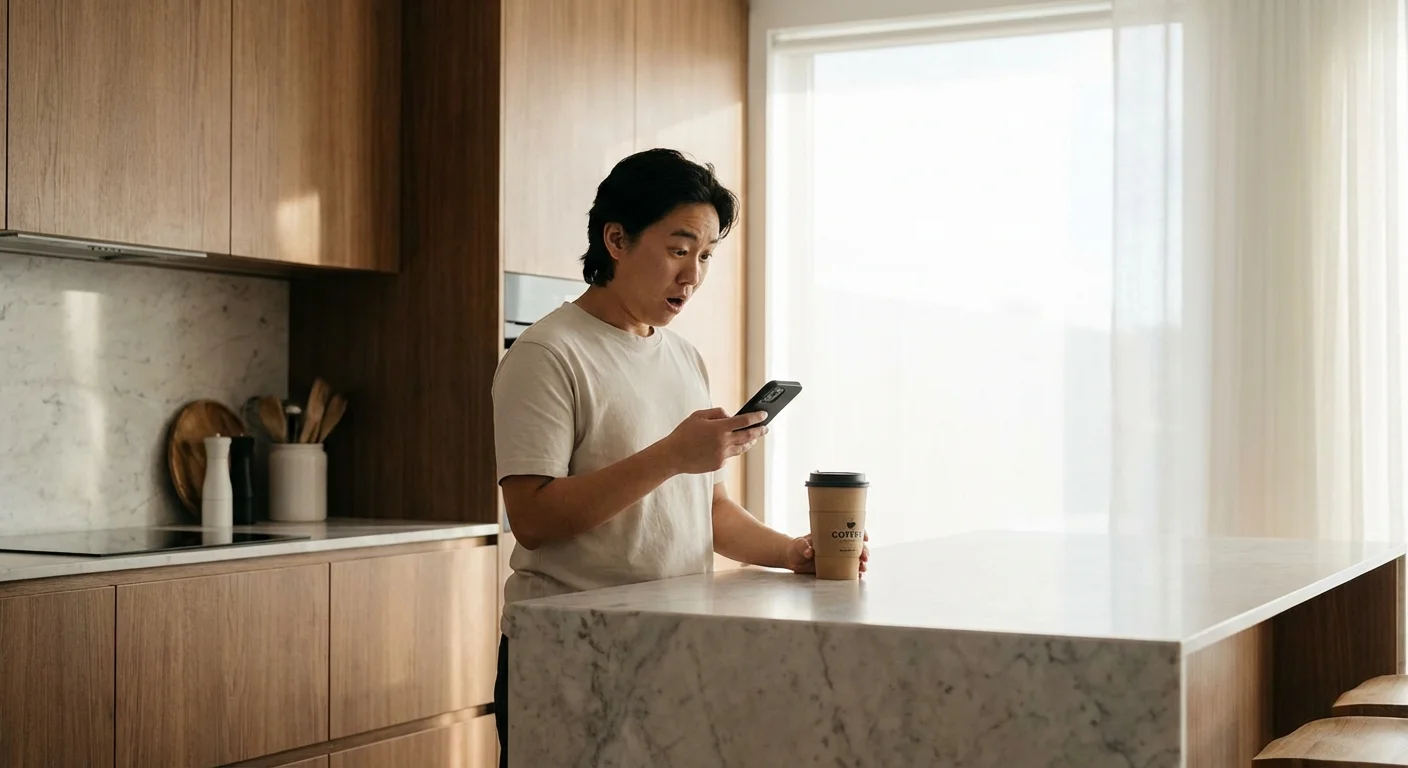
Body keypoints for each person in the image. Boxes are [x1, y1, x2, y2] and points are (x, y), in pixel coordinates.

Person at [489, 148, 867, 765]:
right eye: (678, 248)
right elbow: (532, 517)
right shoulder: (546, 354)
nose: (692, 274)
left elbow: (705, 510)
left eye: (708, 255)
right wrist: (671, 455)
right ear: (616, 239)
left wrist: (792, 553)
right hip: (567, 652)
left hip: (671, 641)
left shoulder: (684, 357)